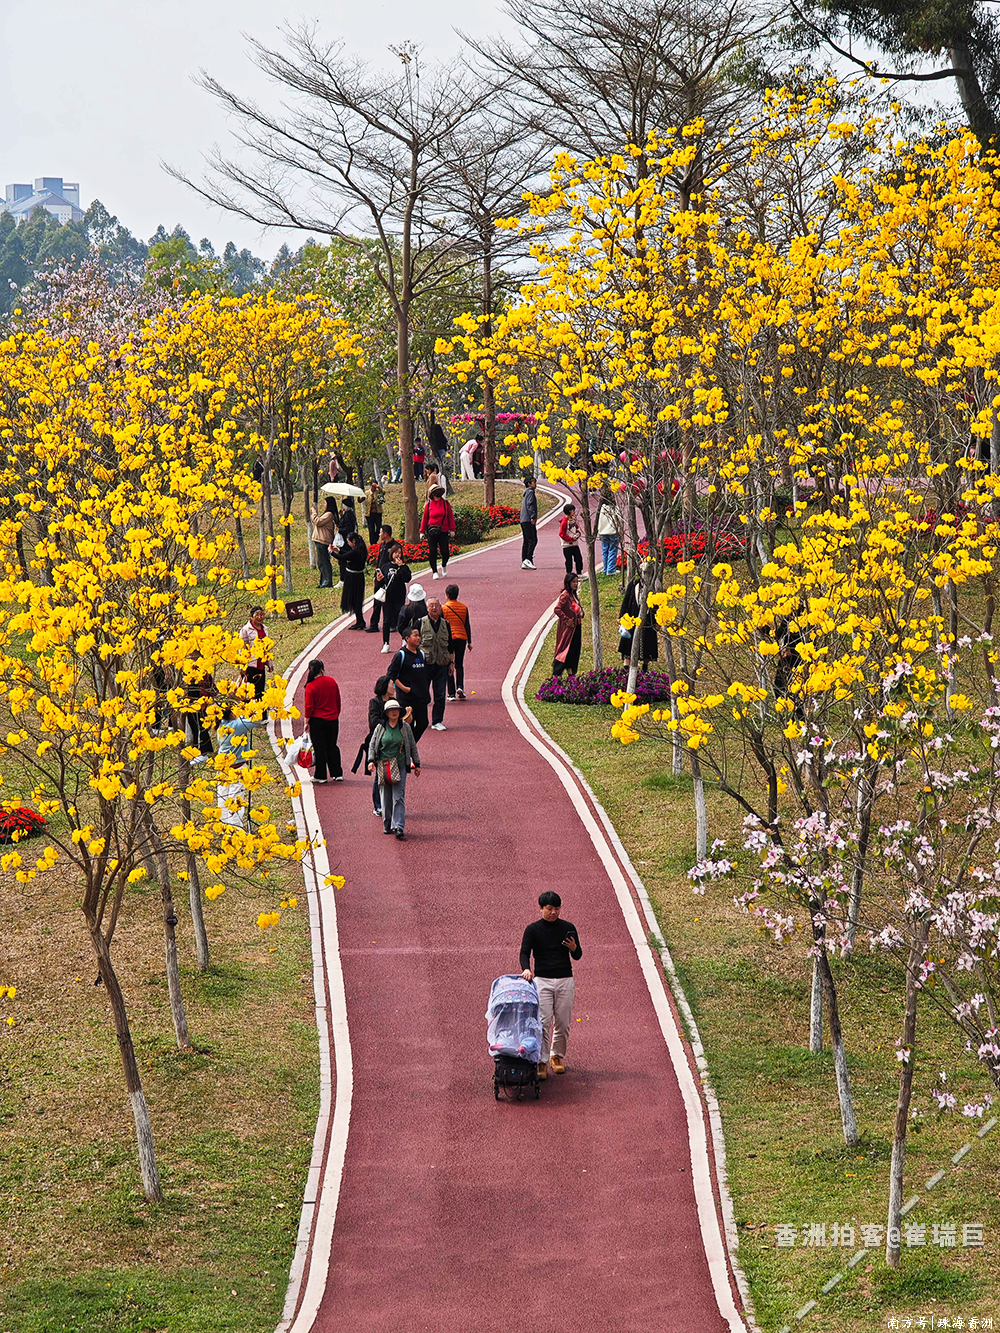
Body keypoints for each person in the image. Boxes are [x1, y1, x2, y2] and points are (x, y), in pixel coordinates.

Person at [519, 890, 583, 1078]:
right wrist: (526, 968)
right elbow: (524, 952)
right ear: (541, 908)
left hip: (565, 980)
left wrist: (574, 948)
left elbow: (578, 955)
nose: (554, 912)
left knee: (563, 1022)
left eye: (557, 908)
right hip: (542, 981)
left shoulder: (568, 927)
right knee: (543, 1022)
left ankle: (557, 1056)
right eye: (549, 909)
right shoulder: (532, 929)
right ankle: (541, 1060)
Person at [368, 697, 420, 840]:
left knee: (398, 797)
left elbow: (412, 746)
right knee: (385, 797)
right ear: (386, 713)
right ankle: (387, 824)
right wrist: (371, 761)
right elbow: (372, 744)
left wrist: (417, 764)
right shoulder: (380, 728)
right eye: (391, 710)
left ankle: (399, 827)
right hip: (384, 765)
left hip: (400, 765)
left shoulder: (405, 727)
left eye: (396, 710)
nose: (394, 712)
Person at [387, 625, 431, 740]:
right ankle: (407, 747)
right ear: (407, 638)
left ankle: (411, 745)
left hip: (421, 697)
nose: (418, 638)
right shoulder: (401, 655)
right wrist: (404, 688)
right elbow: (391, 675)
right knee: (408, 725)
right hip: (407, 698)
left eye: (419, 636)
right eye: (415, 635)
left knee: (423, 723)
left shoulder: (421, 654)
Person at [304, 659, 343, 783]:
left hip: (317, 720)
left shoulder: (310, 686)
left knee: (319, 747)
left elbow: (309, 706)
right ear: (322, 669)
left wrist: (306, 721)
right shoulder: (332, 681)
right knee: (332, 745)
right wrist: (336, 713)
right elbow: (337, 700)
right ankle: (337, 773)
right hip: (333, 718)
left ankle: (321, 775)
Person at [419, 596, 454, 731]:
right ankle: (421, 720)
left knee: (440, 694)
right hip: (425, 664)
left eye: (436, 605)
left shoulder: (446, 624)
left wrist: (451, 663)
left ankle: (437, 720)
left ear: (440, 608)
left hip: (442, 664)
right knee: (423, 694)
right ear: (427, 608)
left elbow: (450, 645)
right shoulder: (420, 623)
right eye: (431, 605)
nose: (434, 608)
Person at [619, 568, 659, 669]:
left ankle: (645, 665)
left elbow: (658, 605)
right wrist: (622, 616)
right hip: (632, 618)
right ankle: (627, 666)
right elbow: (626, 601)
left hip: (648, 619)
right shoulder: (633, 585)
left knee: (648, 642)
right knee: (628, 641)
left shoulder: (654, 587)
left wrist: (658, 621)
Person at [367, 525, 399, 635]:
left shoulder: (395, 546)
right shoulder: (382, 545)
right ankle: (374, 624)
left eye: (381, 532)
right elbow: (380, 561)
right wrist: (376, 574)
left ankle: (392, 624)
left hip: (389, 578)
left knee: (389, 603)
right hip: (379, 577)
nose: (379, 534)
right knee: (377, 600)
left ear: (386, 534)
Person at [420, 485, 455, 581]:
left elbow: (450, 516)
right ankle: (434, 571)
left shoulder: (446, 504)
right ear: (432, 494)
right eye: (435, 492)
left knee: (445, 552)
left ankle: (444, 565)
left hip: (443, 530)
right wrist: (422, 531)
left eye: (439, 492)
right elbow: (424, 518)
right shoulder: (428, 505)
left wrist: (452, 529)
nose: (437, 494)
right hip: (431, 531)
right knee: (433, 551)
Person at [380, 546, 412, 652]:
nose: (397, 555)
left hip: (399, 597)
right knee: (386, 620)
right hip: (388, 597)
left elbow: (407, 578)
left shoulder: (404, 567)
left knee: (401, 618)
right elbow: (381, 582)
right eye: (395, 552)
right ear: (391, 554)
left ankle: (404, 639)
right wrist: (379, 579)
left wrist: (401, 566)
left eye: (399, 553)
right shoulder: (385, 567)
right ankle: (386, 643)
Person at [553, 573, 584, 677]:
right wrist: (567, 620)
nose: (576, 584)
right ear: (568, 582)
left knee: (574, 652)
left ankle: (571, 675)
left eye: (577, 581)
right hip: (568, 630)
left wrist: (581, 613)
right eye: (573, 582)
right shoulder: (565, 595)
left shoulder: (573, 594)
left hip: (576, 627)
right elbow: (557, 609)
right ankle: (556, 675)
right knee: (565, 651)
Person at [443, 584, 471, 700]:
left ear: (447, 595)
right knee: (459, 664)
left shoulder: (444, 608)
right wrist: (469, 641)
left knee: (448, 664)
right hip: (462, 637)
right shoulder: (464, 607)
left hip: (449, 638)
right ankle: (460, 687)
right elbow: (467, 625)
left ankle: (451, 693)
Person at [240, 606, 273, 701]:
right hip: (250, 665)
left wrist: (269, 662)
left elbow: (267, 647)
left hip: (261, 664)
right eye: (257, 615)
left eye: (262, 615)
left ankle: (260, 710)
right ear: (251, 616)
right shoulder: (245, 630)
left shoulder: (265, 628)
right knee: (249, 693)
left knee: (260, 691)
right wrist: (242, 667)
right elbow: (242, 648)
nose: (260, 617)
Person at [337, 530, 368, 629]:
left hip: (353, 578)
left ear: (353, 541)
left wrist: (331, 551)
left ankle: (360, 621)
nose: (348, 544)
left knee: (355, 600)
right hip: (359, 577)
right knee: (357, 600)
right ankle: (360, 620)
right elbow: (347, 554)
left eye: (349, 542)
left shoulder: (355, 552)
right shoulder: (361, 550)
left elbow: (342, 557)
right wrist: (338, 550)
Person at [313, 498, 338, 588]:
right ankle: (323, 581)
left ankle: (327, 581)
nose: (324, 504)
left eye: (325, 503)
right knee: (321, 562)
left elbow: (318, 522)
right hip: (320, 539)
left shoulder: (329, 514)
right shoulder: (328, 514)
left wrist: (314, 513)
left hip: (323, 540)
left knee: (324, 561)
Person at [596, 495, 620, 575]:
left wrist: (599, 533)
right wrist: (620, 531)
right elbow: (619, 520)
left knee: (605, 551)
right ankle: (611, 569)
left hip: (603, 532)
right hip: (613, 531)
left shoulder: (601, 508)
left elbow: (598, 522)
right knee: (612, 550)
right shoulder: (615, 508)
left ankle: (605, 569)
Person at [558, 503, 583, 576]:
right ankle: (569, 574)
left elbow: (575, 528)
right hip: (567, 545)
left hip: (575, 544)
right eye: (573, 510)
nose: (574, 512)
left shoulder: (572, 520)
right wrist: (571, 539)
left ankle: (579, 573)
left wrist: (577, 533)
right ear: (569, 511)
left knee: (578, 559)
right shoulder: (565, 522)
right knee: (569, 561)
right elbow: (561, 534)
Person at [520, 476, 538, 570]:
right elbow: (530, 505)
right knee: (532, 540)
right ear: (529, 484)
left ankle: (525, 560)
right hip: (528, 519)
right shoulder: (530, 492)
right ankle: (528, 559)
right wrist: (533, 516)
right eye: (534, 482)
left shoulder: (526, 493)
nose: (536, 484)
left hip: (523, 519)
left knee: (527, 540)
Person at [364, 477, 385, 548]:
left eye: (375, 487)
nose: (374, 488)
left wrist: (378, 486)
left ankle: (375, 540)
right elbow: (360, 500)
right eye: (372, 486)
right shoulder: (366, 493)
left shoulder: (378, 492)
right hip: (369, 514)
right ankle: (372, 543)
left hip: (377, 513)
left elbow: (383, 492)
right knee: (371, 529)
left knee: (379, 527)